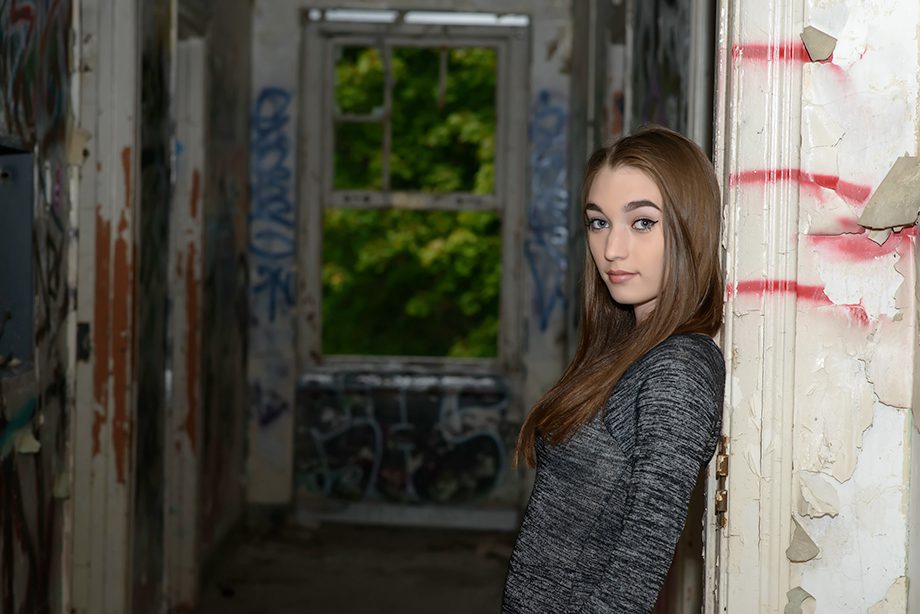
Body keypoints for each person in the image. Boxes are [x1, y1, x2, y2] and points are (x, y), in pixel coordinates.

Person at [503, 125, 725, 613]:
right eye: (598, 223)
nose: (611, 250)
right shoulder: (630, 350)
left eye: (642, 222)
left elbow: (637, 571)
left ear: (691, 228)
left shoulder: (677, 370)